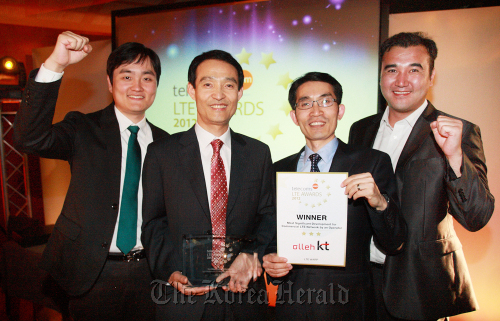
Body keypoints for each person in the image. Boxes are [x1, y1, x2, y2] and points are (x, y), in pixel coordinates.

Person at [13, 31, 169, 321]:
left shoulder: (167, 144)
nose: (137, 86)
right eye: (126, 76)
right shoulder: (83, 128)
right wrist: (56, 64)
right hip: (90, 273)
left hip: (148, 275)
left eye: (147, 77)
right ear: (110, 83)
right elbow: (29, 139)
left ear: (156, 85)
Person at [349, 32, 495, 321]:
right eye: (392, 70)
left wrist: (454, 157)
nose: (401, 81)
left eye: (414, 70)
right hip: (362, 283)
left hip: (420, 286)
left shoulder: (456, 131)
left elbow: (476, 216)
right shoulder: (360, 129)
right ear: (380, 76)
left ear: (431, 77)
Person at [141, 49, 275, 321]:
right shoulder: (161, 153)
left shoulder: (258, 153)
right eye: (208, 84)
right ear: (191, 90)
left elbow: (268, 216)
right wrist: (169, 270)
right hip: (184, 298)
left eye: (229, 85)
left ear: (239, 93)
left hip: (244, 296)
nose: (219, 94)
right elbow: (154, 222)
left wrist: (252, 254)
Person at [262, 72, 406, 320]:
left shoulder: (371, 163)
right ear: (294, 116)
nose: (316, 111)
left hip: (350, 301)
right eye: (305, 103)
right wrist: (270, 260)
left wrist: (380, 203)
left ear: (340, 110)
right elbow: (269, 234)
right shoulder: (277, 170)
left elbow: (394, 242)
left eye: (326, 102)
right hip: (292, 303)